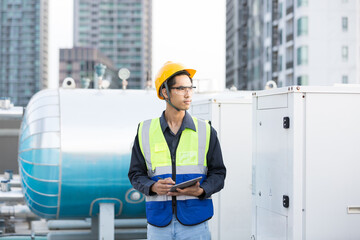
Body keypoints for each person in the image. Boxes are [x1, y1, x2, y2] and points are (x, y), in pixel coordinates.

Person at [128, 61, 226, 240]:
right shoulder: (145, 131)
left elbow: (219, 174)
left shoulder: (205, 130)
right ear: (165, 92)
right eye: (181, 88)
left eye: (190, 88)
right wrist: (153, 186)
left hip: (196, 223)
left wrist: (201, 190)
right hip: (159, 224)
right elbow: (135, 174)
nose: (188, 94)